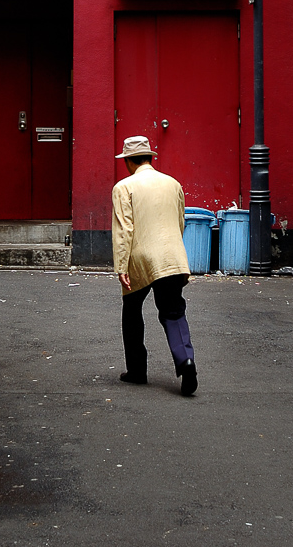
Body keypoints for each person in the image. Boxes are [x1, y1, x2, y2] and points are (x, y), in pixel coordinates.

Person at [111, 135, 197, 396]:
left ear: (128, 161)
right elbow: (180, 222)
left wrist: (121, 266)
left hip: (140, 259)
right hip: (171, 257)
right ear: (150, 157)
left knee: (132, 310)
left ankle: (137, 370)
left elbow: (124, 230)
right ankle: (186, 362)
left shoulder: (123, 187)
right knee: (173, 311)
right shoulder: (173, 184)